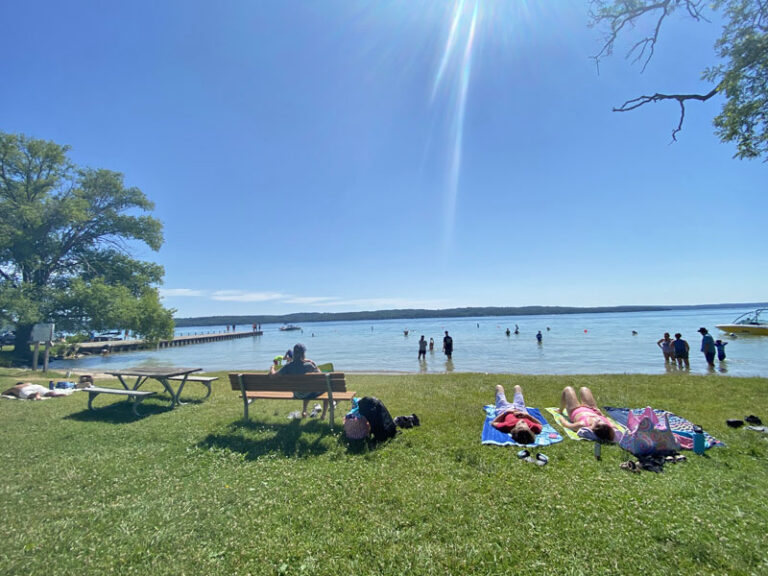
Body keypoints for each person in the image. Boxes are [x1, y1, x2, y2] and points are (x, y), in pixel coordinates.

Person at [270, 343, 326, 418]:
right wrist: (314, 363)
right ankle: (323, 415)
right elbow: (321, 375)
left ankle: (304, 411)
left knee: (305, 387)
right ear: (303, 354)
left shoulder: (288, 366)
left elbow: (273, 376)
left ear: (294, 354)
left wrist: (272, 368)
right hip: (308, 393)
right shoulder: (309, 365)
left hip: (297, 394)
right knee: (326, 388)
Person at [2, 382, 67, 400]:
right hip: (36, 386)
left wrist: (12, 393)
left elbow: (3, 393)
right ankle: (55, 394)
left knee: (29, 395)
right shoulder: (28, 383)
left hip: (25, 390)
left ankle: (35, 394)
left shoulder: (15, 387)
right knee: (48, 393)